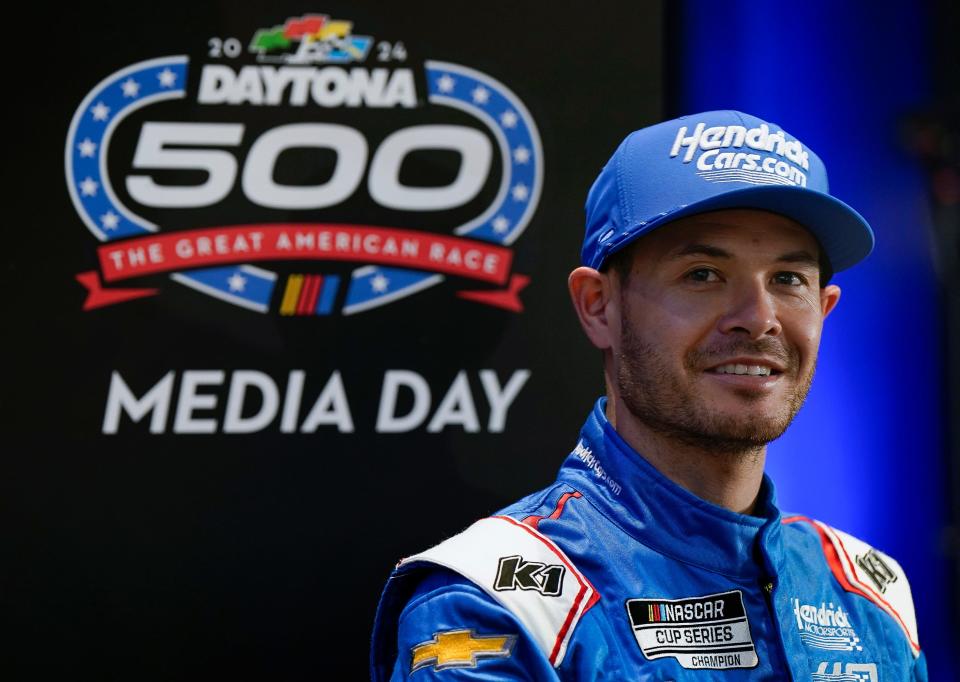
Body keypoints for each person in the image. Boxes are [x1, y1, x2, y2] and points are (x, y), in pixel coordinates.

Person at [369, 110, 926, 680]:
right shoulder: (496, 601)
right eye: (703, 274)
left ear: (824, 308)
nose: (759, 320)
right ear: (598, 307)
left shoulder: (870, 589)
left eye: (788, 280)